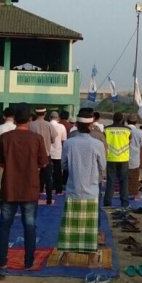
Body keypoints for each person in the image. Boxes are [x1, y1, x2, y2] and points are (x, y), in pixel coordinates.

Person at [0, 103, 49, 270]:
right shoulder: (36, 138)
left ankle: (2, 260)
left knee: (4, 225)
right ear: (29, 118)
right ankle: (28, 262)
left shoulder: (5, 138)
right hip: (29, 187)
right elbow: (43, 162)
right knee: (30, 226)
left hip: (9, 187)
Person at [57, 108, 106, 267]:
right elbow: (102, 166)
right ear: (91, 124)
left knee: (69, 228)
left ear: (76, 124)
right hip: (91, 191)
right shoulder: (98, 144)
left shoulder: (70, 143)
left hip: (73, 190)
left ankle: (66, 259)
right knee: (89, 230)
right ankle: (91, 261)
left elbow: (63, 164)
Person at [103, 112, 132, 208]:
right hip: (123, 158)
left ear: (113, 119)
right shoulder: (128, 130)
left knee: (110, 181)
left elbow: (104, 142)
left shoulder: (106, 129)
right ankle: (124, 203)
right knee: (123, 181)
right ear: (122, 119)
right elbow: (129, 141)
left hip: (111, 158)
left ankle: (107, 202)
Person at [30, 106, 57, 205]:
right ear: (45, 113)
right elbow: (54, 139)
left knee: (34, 178)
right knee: (48, 178)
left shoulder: (31, 125)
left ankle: (33, 198)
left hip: (34, 156)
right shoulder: (49, 125)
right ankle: (49, 199)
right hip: (46, 155)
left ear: (36, 113)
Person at [49, 111, 67, 195]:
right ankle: (58, 190)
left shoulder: (47, 125)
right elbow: (64, 140)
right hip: (58, 152)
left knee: (46, 172)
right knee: (58, 172)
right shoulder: (61, 126)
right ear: (58, 118)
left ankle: (45, 189)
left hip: (47, 152)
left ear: (50, 117)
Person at [127, 113, 142, 187]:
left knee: (124, 178)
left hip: (123, 158)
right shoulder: (139, 132)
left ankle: (123, 192)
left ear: (127, 121)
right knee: (134, 178)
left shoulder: (124, 130)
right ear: (136, 122)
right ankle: (133, 194)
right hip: (135, 159)